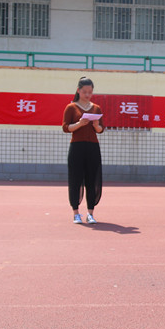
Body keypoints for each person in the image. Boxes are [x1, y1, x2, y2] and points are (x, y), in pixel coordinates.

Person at [62, 77, 104, 224]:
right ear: (78, 90)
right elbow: (66, 128)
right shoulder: (71, 107)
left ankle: (90, 213)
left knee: (92, 180)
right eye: (85, 92)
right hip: (77, 147)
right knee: (75, 179)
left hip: (92, 147)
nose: (87, 95)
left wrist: (96, 125)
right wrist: (79, 124)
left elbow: (100, 130)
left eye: (90, 92)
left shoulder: (96, 108)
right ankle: (76, 213)